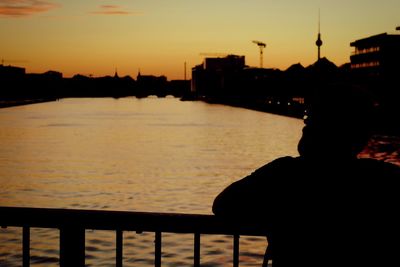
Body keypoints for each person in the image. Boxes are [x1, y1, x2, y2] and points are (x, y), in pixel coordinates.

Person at [212, 84, 400, 267]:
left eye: (311, 117)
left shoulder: (283, 174)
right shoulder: (383, 178)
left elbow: (223, 205)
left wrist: (276, 215)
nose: (305, 125)